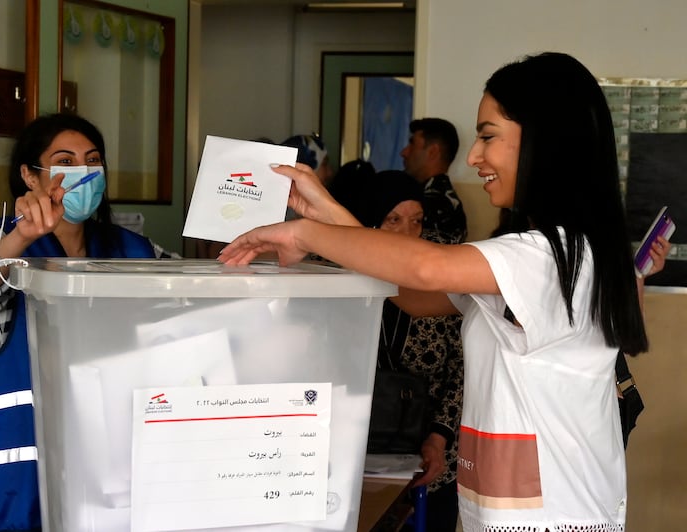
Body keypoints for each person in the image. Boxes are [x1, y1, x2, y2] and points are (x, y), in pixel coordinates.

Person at [219, 52, 649, 531]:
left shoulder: (554, 257)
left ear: (544, 145)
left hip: (553, 517)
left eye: (488, 136)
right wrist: (326, 216)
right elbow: (411, 290)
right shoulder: (540, 258)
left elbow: (425, 267)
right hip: (516, 511)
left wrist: (304, 235)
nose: (473, 157)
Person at [0, 113, 174, 532]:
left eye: (93, 160)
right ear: (30, 175)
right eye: (65, 161)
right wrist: (22, 237)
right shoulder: (2, 242)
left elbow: (199, 298)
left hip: (114, 467)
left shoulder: (133, 249)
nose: (82, 172)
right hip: (23, 481)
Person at [335, 169, 463, 532]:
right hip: (357, 453)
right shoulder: (341, 276)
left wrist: (438, 439)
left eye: (417, 221)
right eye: (393, 220)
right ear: (371, 224)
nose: (408, 234)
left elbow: (462, 369)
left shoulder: (441, 272)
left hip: (433, 456)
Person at [400, 118, 467, 244]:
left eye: (412, 144)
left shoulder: (437, 205)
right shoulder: (437, 198)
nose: (403, 152)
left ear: (432, 151)